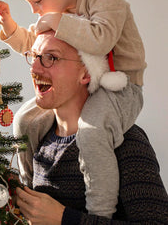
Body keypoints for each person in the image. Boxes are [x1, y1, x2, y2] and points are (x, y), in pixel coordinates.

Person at [0, 0, 146, 217]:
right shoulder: (59, 14)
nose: (34, 10)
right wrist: (10, 27)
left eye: (37, 1)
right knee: (24, 119)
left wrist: (56, 21)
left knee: (92, 133)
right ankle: (26, 194)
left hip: (120, 88)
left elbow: (100, 39)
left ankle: (99, 213)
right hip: (91, 84)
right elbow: (34, 42)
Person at [14, 30, 168, 224]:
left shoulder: (126, 141)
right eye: (33, 56)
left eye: (51, 57)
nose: (34, 68)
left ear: (86, 72)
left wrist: (64, 219)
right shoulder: (39, 136)